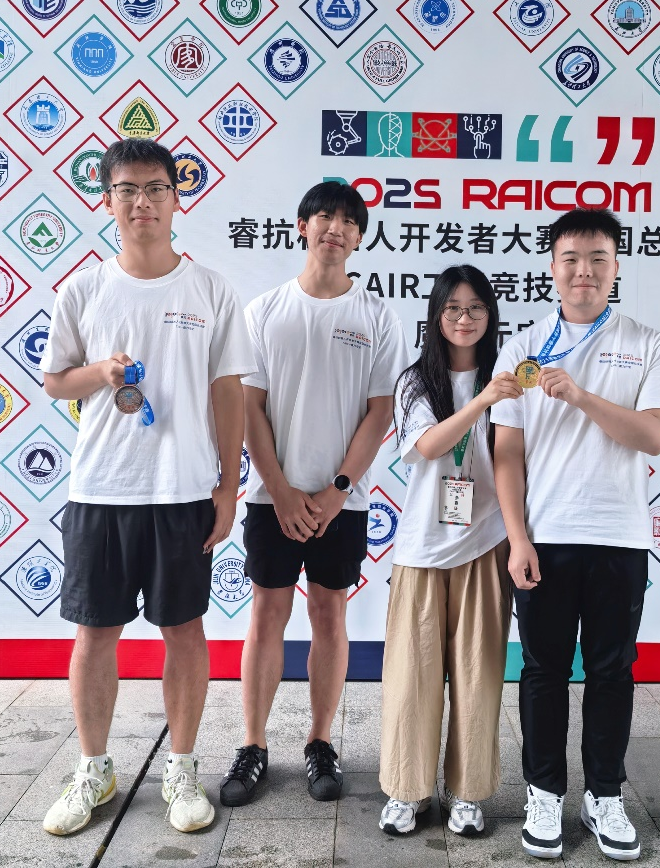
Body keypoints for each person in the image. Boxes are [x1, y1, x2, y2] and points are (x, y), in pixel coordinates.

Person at [39, 138, 254, 836]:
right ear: (107, 201)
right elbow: (56, 381)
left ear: (176, 198)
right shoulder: (83, 290)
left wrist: (227, 486)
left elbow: (228, 391)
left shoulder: (210, 289)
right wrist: (101, 373)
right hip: (101, 489)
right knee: (94, 634)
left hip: (182, 491)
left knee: (183, 631)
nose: (142, 202)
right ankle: (93, 769)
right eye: (127, 189)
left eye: (156, 188)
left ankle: (181, 768)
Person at [492, 208, 660, 862]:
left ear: (615, 266)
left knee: (611, 671)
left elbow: (655, 435)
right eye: (571, 258)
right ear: (552, 267)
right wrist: (517, 538)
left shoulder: (647, 344)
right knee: (542, 671)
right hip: (544, 537)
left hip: (618, 537)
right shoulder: (522, 347)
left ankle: (604, 794)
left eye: (597, 258)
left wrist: (580, 397)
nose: (583, 271)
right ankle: (544, 791)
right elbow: (507, 454)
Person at [220, 181, 407, 807]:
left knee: (329, 614)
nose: (335, 228)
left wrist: (337, 490)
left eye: (349, 221)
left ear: (360, 237)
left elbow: (380, 411)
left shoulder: (376, 316)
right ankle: (253, 743)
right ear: (302, 226)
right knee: (267, 614)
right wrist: (278, 489)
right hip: (270, 499)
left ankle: (321, 740)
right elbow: (250, 406)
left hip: (341, 503)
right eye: (324, 216)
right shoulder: (265, 311)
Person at [378, 265, 519, 838]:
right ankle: (406, 790)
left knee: (478, 675)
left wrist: (493, 392)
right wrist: (483, 399)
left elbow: (515, 459)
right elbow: (429, 444)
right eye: (453, 308)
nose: (465, 318)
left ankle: (467, 792)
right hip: (421, 548)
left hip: (486, 542)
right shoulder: (416, 381)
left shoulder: (509, 377)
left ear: (491, 315)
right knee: (411, 676)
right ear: (437, 316)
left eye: (477, 308)